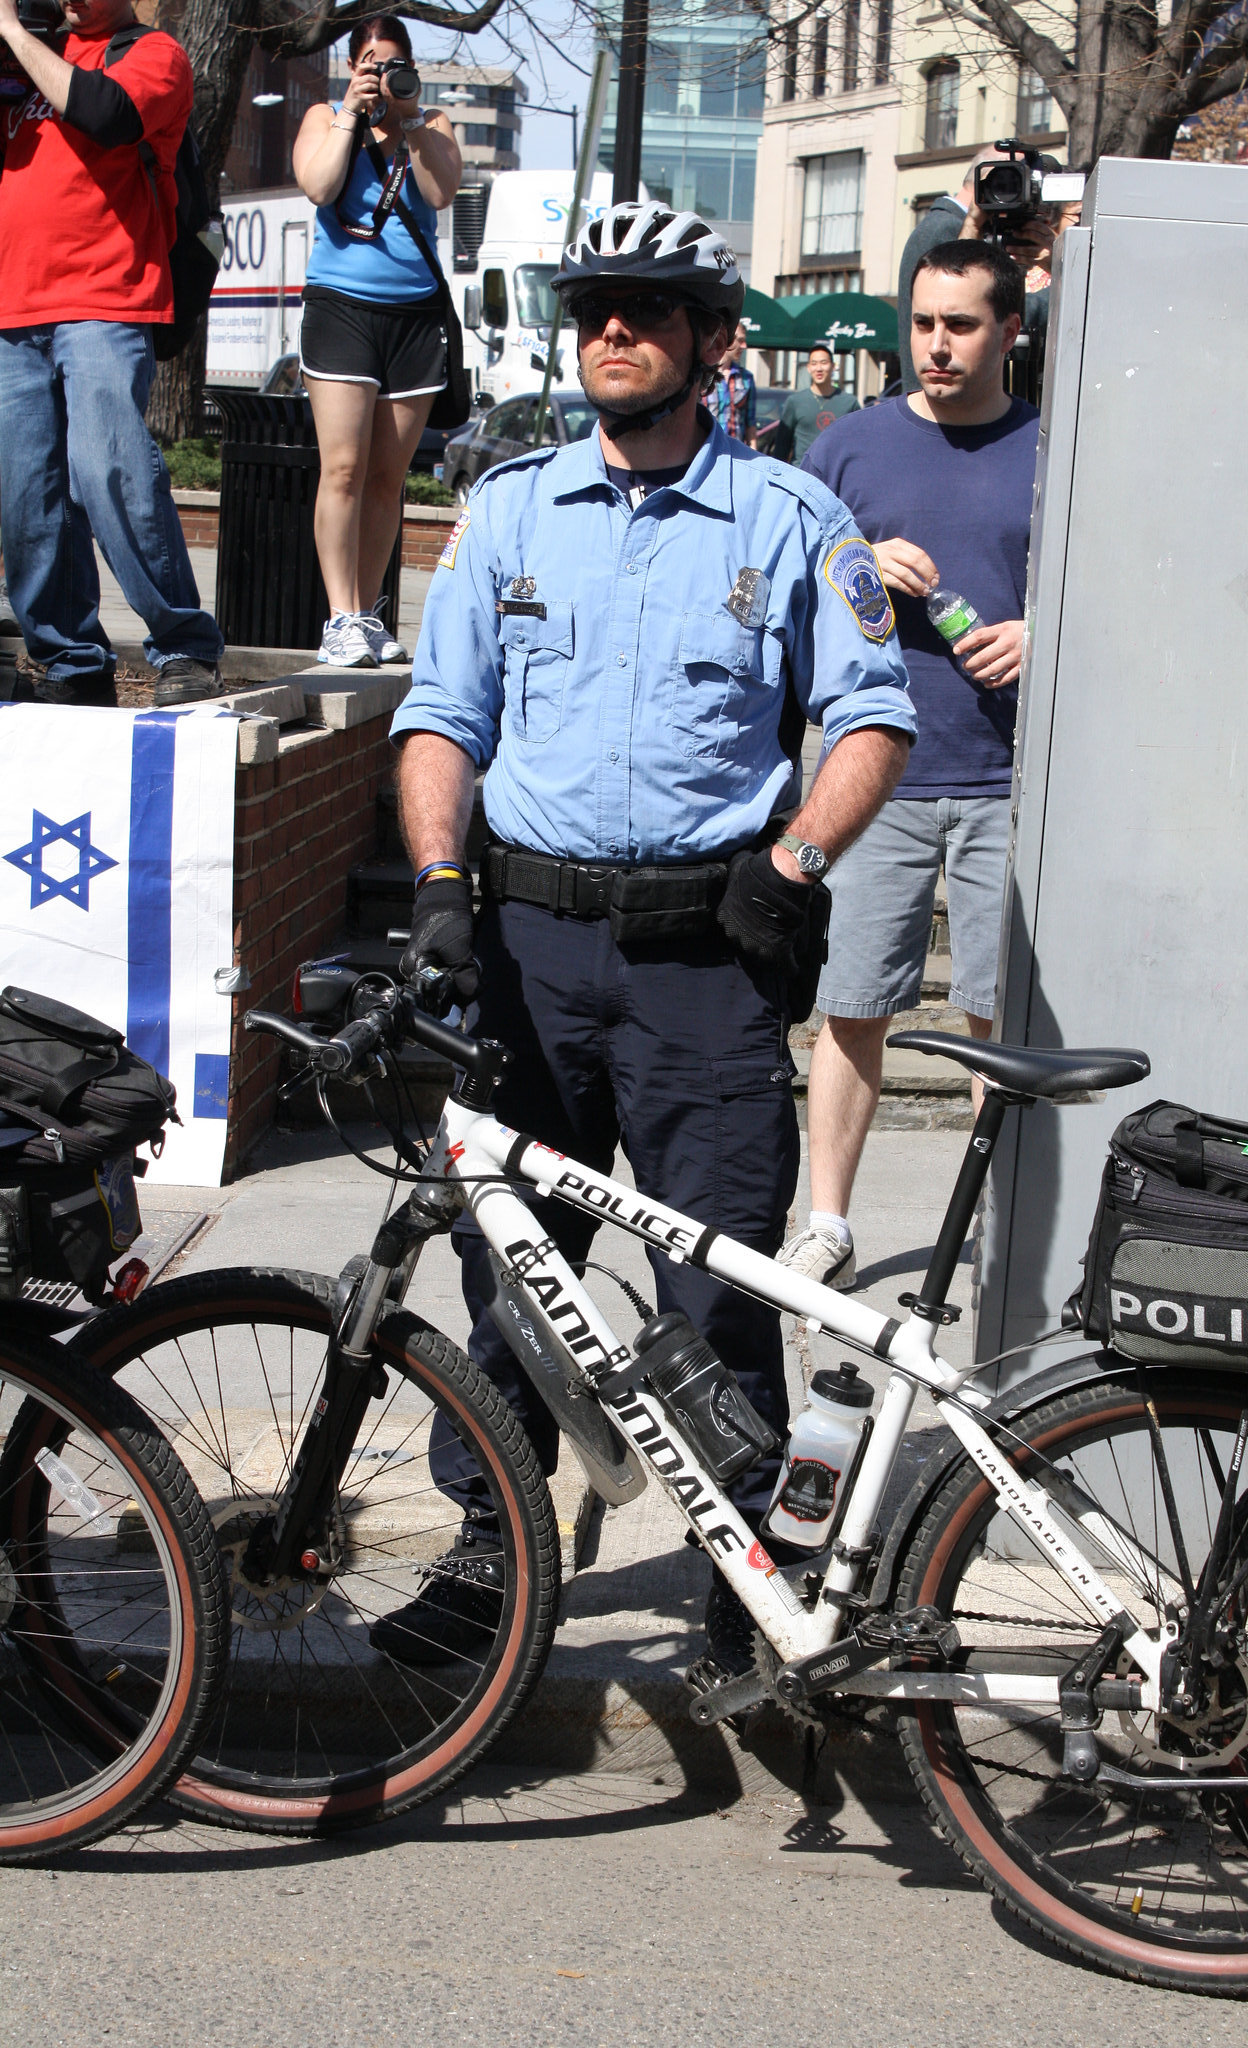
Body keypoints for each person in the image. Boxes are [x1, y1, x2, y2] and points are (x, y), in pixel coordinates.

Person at [380, 199, 916, 1673]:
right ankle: (493, 1557)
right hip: (529, 955)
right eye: (593, 303)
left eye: (646, 307)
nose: (610, 327)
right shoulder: (505, 509)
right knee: (510, 1282)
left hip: (700, 969)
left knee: (721, 1290)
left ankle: (747, 1585)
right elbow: (443, 719)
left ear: (710, 340)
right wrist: (436, 883)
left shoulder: (791, 518)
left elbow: (873, 716)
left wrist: (798, 861)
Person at [779, 239, 1037, 1291]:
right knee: (850, 1006)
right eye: (922, 322)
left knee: (996, 1021)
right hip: (870, 774)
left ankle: (999, 1237)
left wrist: (1039, 633)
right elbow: (779, 589)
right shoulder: (849, 448)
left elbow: (1120, 585)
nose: (935, 345)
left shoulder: (1055, 448)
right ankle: (827, 1222)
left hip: (1012, 778)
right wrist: (854, 564)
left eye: (961, 324)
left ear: (1010, 330)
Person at [0, 0, 225, 708]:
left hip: (106, 298)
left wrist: (10, 31)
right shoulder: (17, 65)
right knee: (29, 503)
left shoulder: (150, 52)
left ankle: (183, 646)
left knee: (110, 471)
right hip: (12, 309)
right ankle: (72, 662)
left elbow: (108, 115)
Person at [293, 14, 462, 669]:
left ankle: (367, 611)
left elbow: (440, 191)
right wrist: (349, 116)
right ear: (351, 67)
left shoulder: (432, 124)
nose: (382, 75)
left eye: (393, 64)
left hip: (414, 317)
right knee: (342, 468)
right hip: (341, 309)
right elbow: (319, 185)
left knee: (389, 477)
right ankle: (340, 616)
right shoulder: (321, 116)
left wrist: (413, 118)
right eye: (370, 63)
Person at [895, 143, 1057, 398]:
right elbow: (968, 309)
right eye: (1016, 182)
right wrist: (1061, 277)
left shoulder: (962, 226)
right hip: (944, 404)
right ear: (991, 179)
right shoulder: (945, 228)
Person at [770, 343, 859, 464]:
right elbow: (782, 445)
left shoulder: (849, 403)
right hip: (802, 473)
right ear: (808, 367)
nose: (819, 368)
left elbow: (858, 442)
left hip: (835, 473)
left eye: (824, 363)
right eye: (814, 363)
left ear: (833, 366)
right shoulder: (795, 401)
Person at [704, 330, 757, 445]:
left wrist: (755, 454)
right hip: (706, 448)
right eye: (740, 340)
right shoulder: (704, 375)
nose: (744, 346)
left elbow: (750, 424)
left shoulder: (746, 378)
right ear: (726, 340)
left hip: (735, 452)